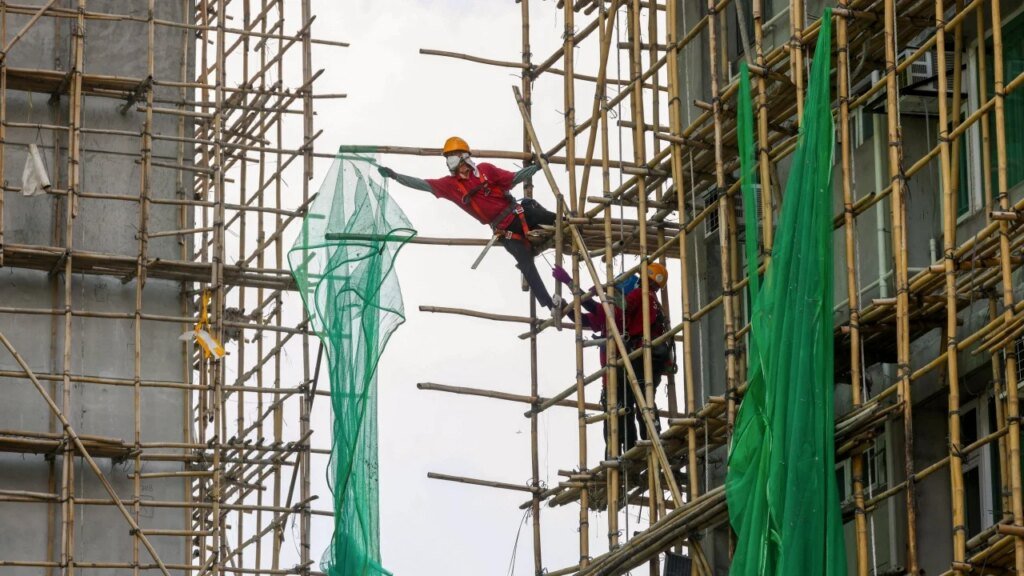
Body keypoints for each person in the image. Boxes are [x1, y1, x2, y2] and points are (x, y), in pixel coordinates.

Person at [377, 137, 562, 313]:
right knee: (525, 263)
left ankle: (572, 223)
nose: (449, 161)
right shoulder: (451, 185)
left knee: (551, 218)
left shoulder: (485, 170)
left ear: (464, 156)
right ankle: (550, 305)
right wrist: (395, 176)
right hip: (504, 231)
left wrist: (536, 167)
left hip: (518, 213)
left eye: (452, 156)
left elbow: (513, 178)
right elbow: (423, 184)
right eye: (447, 158)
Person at [553, 262, 675, 457]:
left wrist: (571, 283)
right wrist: (566, 306)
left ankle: (630, 451)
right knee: (641, 403)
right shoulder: (652, 302)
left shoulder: (637, 298)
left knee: (623, 410)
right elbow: (589, 317)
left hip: (634, 364)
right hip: (648, 362)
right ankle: (646, 444)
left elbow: (599, 310)